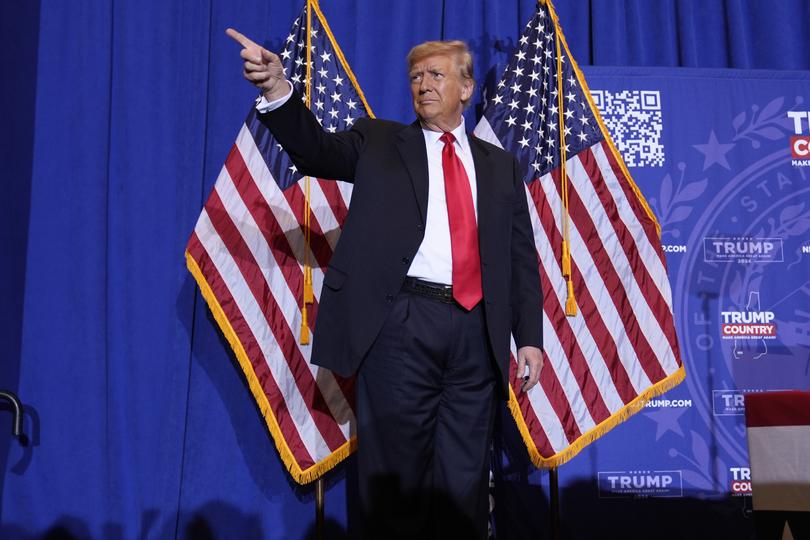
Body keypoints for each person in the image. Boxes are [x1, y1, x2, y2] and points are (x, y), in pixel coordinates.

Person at [227, 28, 544, 539]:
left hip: (477, 334)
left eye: (436, 75)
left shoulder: (501, 167)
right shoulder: (379, 142)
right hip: (402, 326)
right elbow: (316, 151)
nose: (423, 85)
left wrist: (528, 337)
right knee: (394, 481)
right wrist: (277, 91)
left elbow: (519, 258)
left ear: (466, 88)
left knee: (464, 484)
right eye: (416, 76)